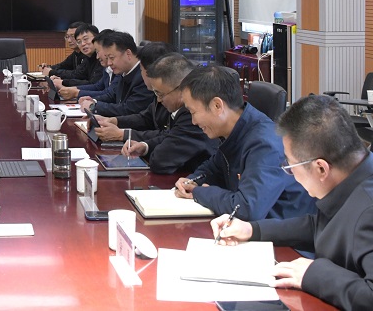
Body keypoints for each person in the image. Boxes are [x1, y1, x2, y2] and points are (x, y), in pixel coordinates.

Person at [212, 95, 373, 310]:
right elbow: (321, 226)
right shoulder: (351, 177)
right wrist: (252, 230)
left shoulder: (368, 208)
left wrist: (314, 274)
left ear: (321, 168)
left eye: (290, 166)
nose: (291, 175)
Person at [173, 65, 315, 221]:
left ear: (217, 106)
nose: (193, 121)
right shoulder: (235, 131)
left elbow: (247, 209)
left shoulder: (265, 144)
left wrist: (200, 192)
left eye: (193, 112)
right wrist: (191, 181)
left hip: (282, 233)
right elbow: (213, 169)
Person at [95, 52, 217, 174]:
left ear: (181, 90)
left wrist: (124, 135)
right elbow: (169, 135)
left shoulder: (192, 115)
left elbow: (160, 160)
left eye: (160, 94)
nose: (158, 100)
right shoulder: (176, 105)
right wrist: (145, 146)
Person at [78, 30, 154, 117]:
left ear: (128, 54)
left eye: (112, 58)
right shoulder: (124, 72)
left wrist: (94, 107)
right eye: (107, 58)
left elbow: (129, 109)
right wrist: (94, 101)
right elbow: (113, 96)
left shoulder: (144, 77)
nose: (109, 63)